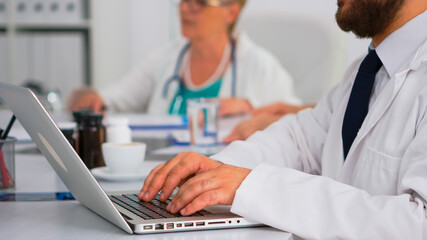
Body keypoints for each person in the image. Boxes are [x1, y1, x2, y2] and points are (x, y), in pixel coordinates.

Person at [139, 0, 427, 238]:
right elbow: (300, 141)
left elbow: (418, 223)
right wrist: (216, 169)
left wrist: (251, 185)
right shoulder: (366, 72)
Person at [68, 0, 302, 116]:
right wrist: (87, 97)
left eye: (199, 2)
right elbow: (114, 100)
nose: (184, 9)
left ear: (231, 11)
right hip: (159, 174)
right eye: (183, 0)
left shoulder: (260, 66)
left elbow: (296, 125)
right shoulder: (165, 58)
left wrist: (250, 108)